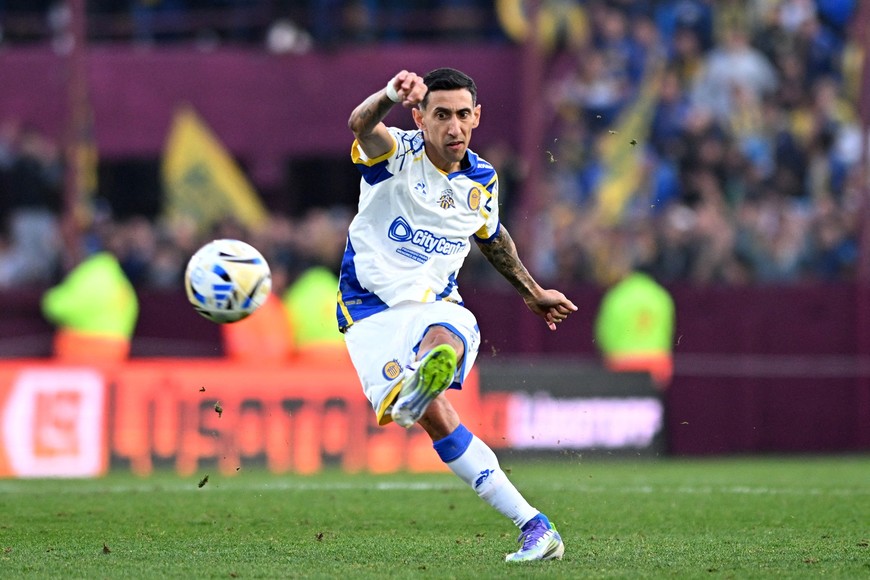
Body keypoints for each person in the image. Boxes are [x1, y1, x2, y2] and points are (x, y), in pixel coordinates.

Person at [338, 67, 577, 562]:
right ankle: (538, 526)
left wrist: (531, 291)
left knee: (441, 338)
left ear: (477, 117)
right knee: (438, 422)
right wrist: (386, 93)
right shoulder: (394, 154)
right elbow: (360, 125)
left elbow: (493, 237)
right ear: (419, 117)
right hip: (370, 312)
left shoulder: (481, 179)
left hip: (437, 305)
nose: (454, 127)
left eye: (463, 115)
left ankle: (425, 376)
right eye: (441, 115)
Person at [595, 265, 676, 388]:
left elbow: (604, 333)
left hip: (622, 363)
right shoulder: (661, 296)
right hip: (656, 363)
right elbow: (668, 331)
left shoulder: (616, 296)